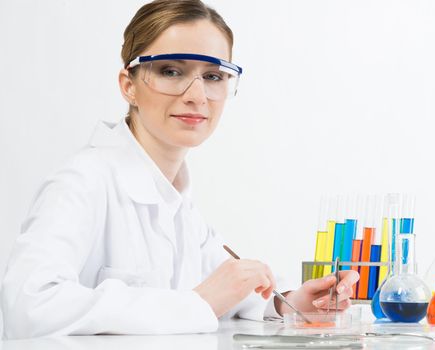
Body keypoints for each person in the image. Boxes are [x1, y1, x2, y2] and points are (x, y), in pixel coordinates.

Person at [1, 0, 359, 339]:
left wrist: (290, 303)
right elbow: (27, 306)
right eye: (172, 71)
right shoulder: (83, 182)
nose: (197, 95)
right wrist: (197, 303)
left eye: (214, 76)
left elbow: (227, 288)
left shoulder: (177, 200)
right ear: (129, 85)